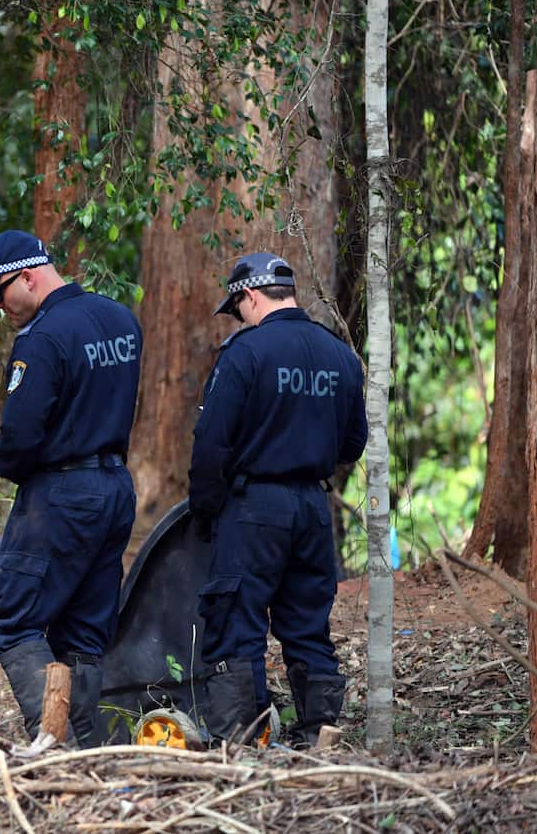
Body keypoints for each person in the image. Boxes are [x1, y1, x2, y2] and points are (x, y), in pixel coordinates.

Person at [0, 229, 142, 748]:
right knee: (83, 634)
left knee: (10, 623)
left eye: (0, 293)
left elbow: (19, 437)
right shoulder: (121, 319)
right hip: (114, 488)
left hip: (62, 497)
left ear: (29, 276)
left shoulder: (41, 338)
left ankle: (55, 742)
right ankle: (86, 749)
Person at [189, 252, 367, 747]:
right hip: (313, 509)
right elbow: (353, 443)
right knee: (307, 625)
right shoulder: (338, 355)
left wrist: (206, 511)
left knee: (236, 623)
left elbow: (210, 445)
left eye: (237, 306)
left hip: (254, 510)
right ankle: (320, 738)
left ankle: (244, 745)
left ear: (248, 296)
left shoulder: (245, 353)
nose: (238, 315)